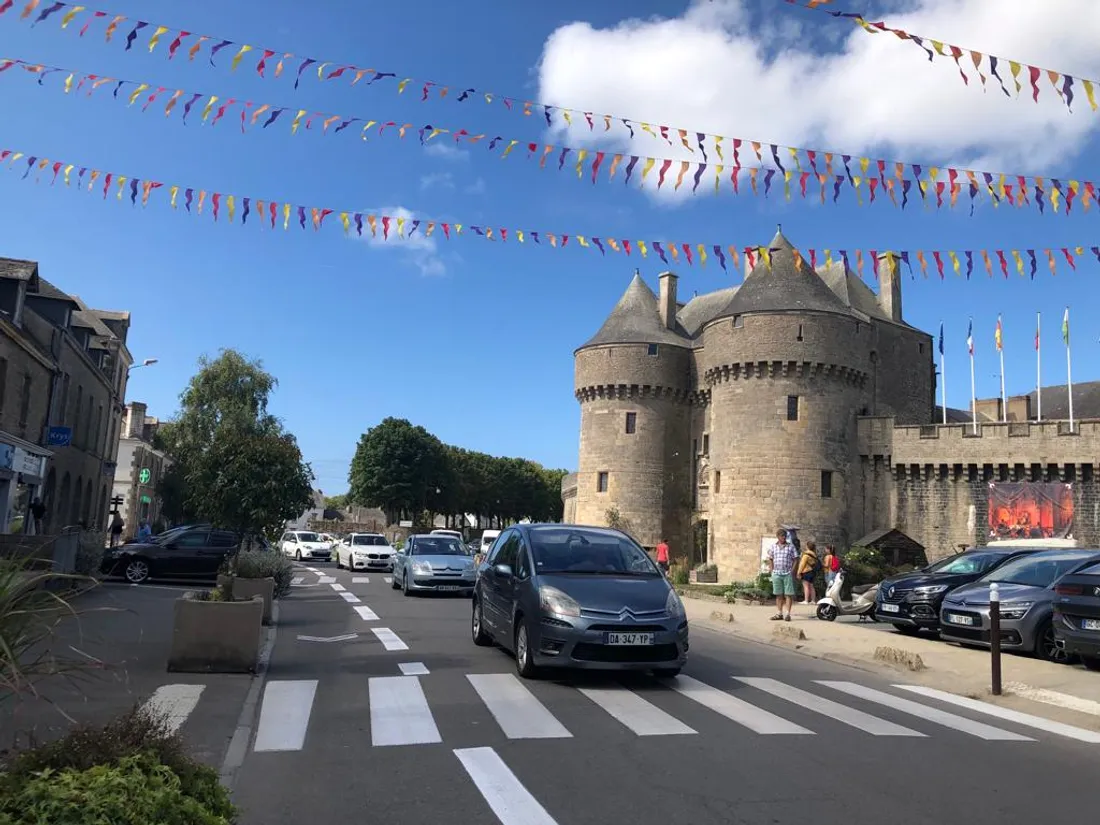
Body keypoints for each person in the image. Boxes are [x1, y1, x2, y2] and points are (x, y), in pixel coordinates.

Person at [765, 528, 798, 622]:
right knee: (778, 594)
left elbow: (796, 558)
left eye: (784, 536)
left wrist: (792, 571)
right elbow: (770, 558)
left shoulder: (790, 546)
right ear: (778, 537)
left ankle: (787, 613)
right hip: (777, 573)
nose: (783, 538)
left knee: (788, 594)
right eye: (781, 536)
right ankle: (779, 613)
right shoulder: (773, 547)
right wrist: (772, 571)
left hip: (787, 573)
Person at [796, 541, 820, 605]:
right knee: (812, 586)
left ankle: (806, 600)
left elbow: (802, 564)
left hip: (806, 571)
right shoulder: (814, 554)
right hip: (812, 571)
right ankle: (813, 600)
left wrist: (798, 572)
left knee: (806, 586)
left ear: (807, 546)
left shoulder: (806, 555)